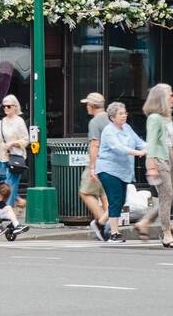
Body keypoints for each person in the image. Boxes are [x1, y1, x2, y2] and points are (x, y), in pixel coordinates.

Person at [95, 101, 148, 244]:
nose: (124, 115)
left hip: (123, 170)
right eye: (120, 113)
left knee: (121, 200)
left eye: (125, 113)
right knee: (115, 200)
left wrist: (150, 147)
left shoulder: (127, 128)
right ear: (112, 117)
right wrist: (138, 153)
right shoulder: (108, 131)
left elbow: (139, 142)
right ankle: (114, 233)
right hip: (108, 169)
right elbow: (118, 147)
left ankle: (100, 223)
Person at [140, 83, 173, 248]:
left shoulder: (166, 117)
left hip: (168, 158)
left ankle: (146, 223)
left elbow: (169, 142)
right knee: (166, 196)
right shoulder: (154, 118)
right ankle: (166, 233)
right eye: (170, 95)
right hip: (158, 159)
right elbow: (151, 142)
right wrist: (151, 166)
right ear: (162, 99)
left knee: (171, 197)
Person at [77, 91, 110, 240]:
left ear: (91, 105)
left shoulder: (95, 122)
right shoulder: (110, 118)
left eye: (87, 105)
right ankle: (112, 226)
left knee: (85, 191)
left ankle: (103, 224)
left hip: (99, 162)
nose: (86, 107)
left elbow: (95, 144)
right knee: (104, 194)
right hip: (111, 162)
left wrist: (92, 166)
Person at [0, 93, 28, 211]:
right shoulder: (1, 122)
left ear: (15, 107)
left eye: (8, 106)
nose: (5, 109)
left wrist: (12, 143)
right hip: (2, 158)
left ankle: (7, 210)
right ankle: (19, 201)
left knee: (10, 185)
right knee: (3, 185)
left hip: (15, 158)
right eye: (4, 106)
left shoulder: (19, 122)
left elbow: (26, 140)